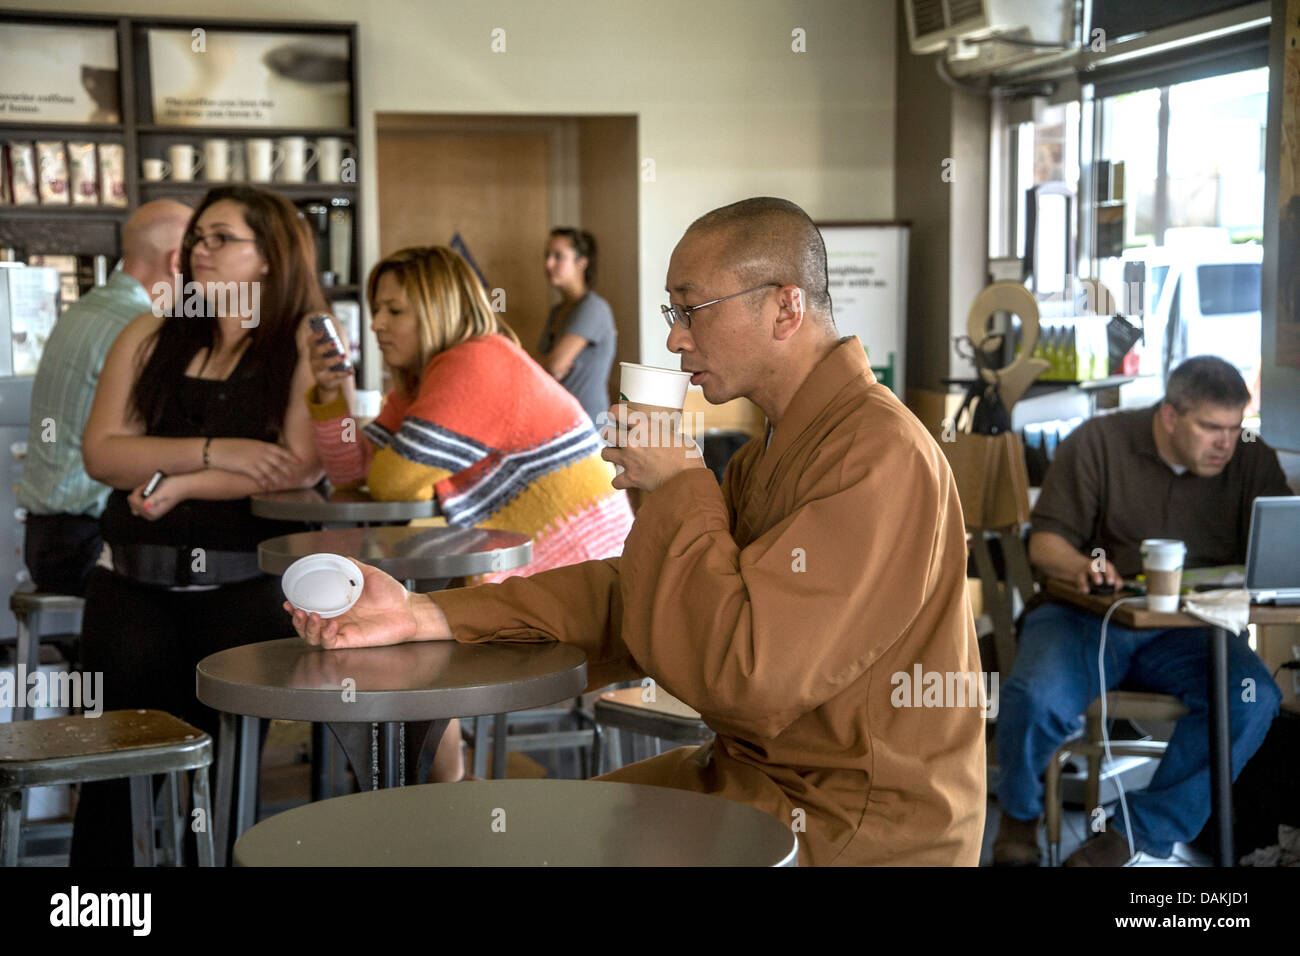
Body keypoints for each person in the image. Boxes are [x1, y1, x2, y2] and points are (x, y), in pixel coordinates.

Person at [288, 198, 987, 866]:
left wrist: (679, 483)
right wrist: (424, 614)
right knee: (518, 836)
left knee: (535, 847)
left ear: (785, 306)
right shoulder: (772, 451)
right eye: (671, 312)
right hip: (749, 779)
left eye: (692, 310)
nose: (675, 337)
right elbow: (637, 595)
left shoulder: (877, 455)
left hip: (852, 823)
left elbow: (748, 677)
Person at [304, 244, 634, 782]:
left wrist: (389, 460)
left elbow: (389, 479)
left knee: (408, 650)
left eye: (395, 310)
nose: (379, 325)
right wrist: (329, 394)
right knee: (395, 635)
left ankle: (442, 798)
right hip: (529, 574)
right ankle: (425, 794)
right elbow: (353, 473)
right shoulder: (423, 379)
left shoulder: (477, 360)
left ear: (437, 308)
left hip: (583, 585)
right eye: (375, 310)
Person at [74, 186, 334, 865]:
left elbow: (299, 466)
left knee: (213, 797)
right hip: (130, 588)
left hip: (239, 594)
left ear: (271, 257)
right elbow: (103, 452)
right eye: (197, 238)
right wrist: (220, 452)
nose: (199, 251)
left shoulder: (304, 342)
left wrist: (182, 479)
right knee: (111, 785)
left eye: (220, 238)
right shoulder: (149, 332)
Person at [993, 355, 1291, 867]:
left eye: (1234, 428)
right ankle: (1018, 821)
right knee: (1035, 693)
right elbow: (1044, 546)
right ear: (1170, 416)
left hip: (1191, 633)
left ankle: (1132, 833)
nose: (1226, 442)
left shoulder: (1249, 458)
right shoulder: (1098, 442)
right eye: (1211, 427)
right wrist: (1082, 566)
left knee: (1254, 699)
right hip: (1087, 616)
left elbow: (1279, 550)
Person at [17, 200, 192, 596]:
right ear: (179, 260)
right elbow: (161, 442)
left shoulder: (86, 309)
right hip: (86, 543)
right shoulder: (138, 327)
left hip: (48, 535)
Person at [536, 228, 617, 422]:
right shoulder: (557, 311)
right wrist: (546, 366)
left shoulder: (594, 308)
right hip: (558, 422)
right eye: (547, 255)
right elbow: (539, 367)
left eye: (558, 256)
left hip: (588, 426)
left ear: (581, 263)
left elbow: (554, 366)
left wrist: (548, 366)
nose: (548, 263)